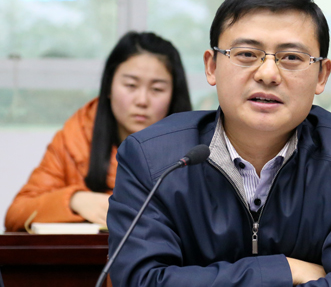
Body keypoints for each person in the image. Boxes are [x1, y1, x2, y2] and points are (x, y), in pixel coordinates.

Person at [107, 0, 331, 287]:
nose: (268, 74)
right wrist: (283, 271)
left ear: (321, 75)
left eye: (291, 58)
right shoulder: (152, 158)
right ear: (211, 67)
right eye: (246, 54)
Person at [5, 32, 192, 232]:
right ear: (109, 86)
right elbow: (16, 214)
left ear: (173, 94)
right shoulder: (76, 138)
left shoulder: (197, 148)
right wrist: (74, 200)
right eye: (131, 85)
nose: (142, 100)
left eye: (157, 89)